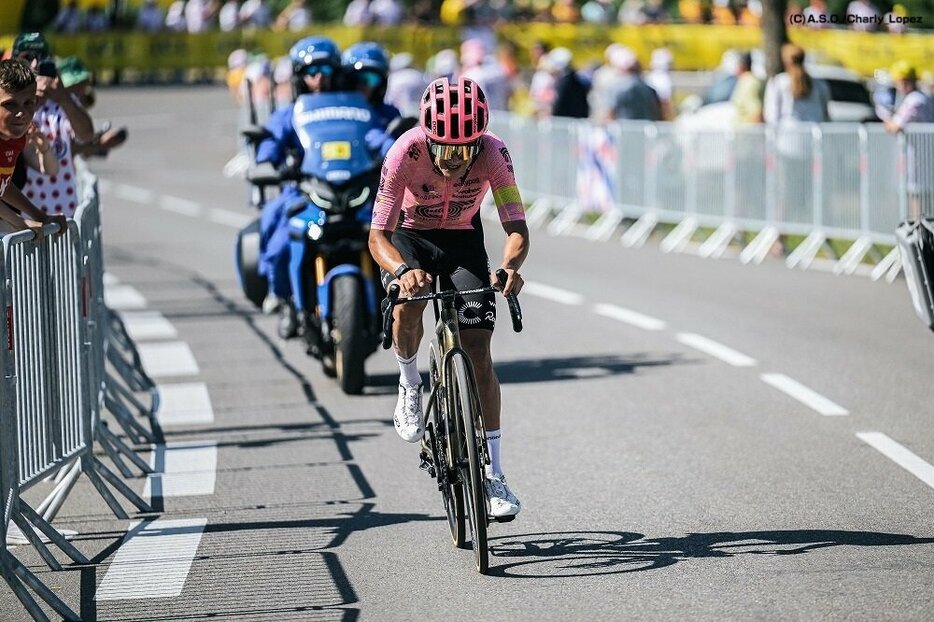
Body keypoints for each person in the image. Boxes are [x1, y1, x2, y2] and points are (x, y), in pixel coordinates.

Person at [368, 77, 529, 518]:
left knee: (479, 351)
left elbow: (516, 226)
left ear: (479, 141)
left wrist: (510, 268)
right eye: (444, 151)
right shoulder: (405, 150)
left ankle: (495, 475)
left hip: (462, 239)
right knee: (409, 305)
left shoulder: (495, 153)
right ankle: (409, 380)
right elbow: (377, 234)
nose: (453, 163)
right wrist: (401, 271)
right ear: (428, 138)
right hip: (411, 236)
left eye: (464, 151)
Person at [254, 36, 342, 337]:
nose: (318, 77)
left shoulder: (350, 107)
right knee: (278, 240)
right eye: (310, 70)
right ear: (298, 76)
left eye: (325, 70)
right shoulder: (290, 113)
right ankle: (286, 301)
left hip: (351, 190)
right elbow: (270, 141)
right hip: (303, 191)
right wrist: (269, 161)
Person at [11, 33, 95, 220]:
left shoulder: (61, 99)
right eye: (27, 58)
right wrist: (33, 100)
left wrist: (62, 96)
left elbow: (87, 135)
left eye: (40, 58)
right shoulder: (9, 101)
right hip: (25, 216)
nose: (34, 65)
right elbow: (12, 141)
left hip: (64, 211)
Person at [763, 43, 828, 253]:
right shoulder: (819, 85)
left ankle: (780, 239)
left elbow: (772, 116)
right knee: (813, 192)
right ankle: (820, 235)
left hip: (786, 145)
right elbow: (825, 115)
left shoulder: (778, 83)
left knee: (785, 193)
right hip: (812, 145)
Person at [0, 58, 66, 239]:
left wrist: (40, 216)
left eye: (28, 103)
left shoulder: (16, 138)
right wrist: (19, 223)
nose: (21, 113)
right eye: (9, 104)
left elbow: (2, 186)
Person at [884, 61, 934, 220]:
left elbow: (896, 126)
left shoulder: (915, 100)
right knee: (919, 195)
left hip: (920, 157)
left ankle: (919, 231)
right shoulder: (922, 97)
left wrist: (887, 121)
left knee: (918, 195)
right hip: (921, 155)